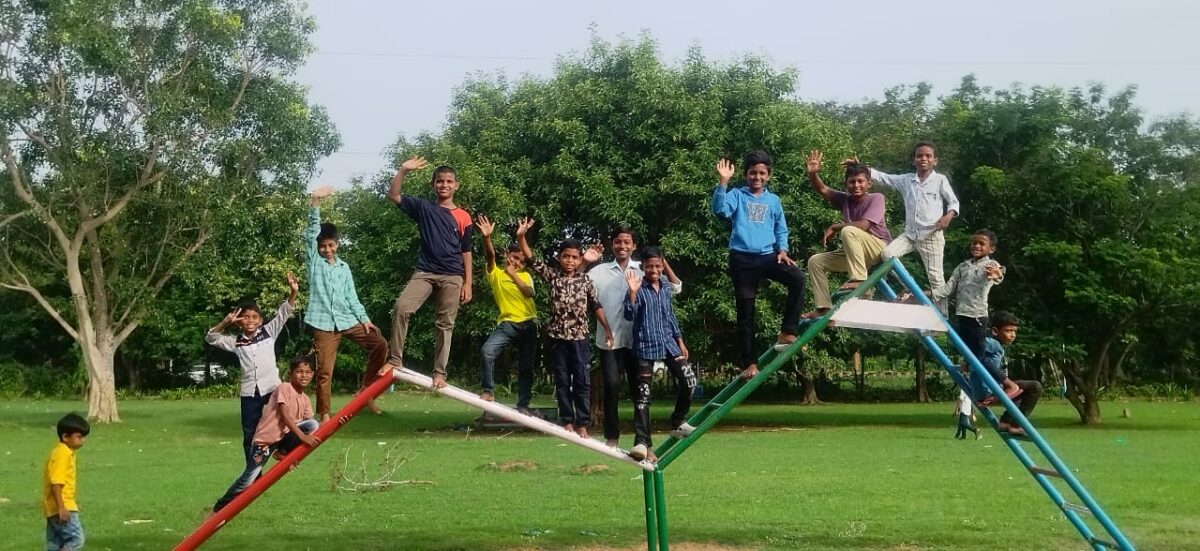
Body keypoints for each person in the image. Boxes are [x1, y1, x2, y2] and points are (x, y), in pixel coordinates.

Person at [711, 151, 806, 380]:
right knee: (746, 313)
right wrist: (723, 182)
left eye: (762, 173)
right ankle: (749, 364)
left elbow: (781, 228)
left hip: (768, 256)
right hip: (742, 260)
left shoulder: (773, 201)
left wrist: (782, 250)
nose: (757, 177)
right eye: (753, 172)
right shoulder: (737, 195)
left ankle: (787, 331)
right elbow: (719, 210)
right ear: (746, 174)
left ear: (769, 176)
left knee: (798, 278)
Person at [584, 226, 681, 448]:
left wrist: (663, 261)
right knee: (611, 386)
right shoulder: (599, 272)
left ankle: (643, 441)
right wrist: (584, 261)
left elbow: (675, 288)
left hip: (638, 342)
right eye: (618, 241)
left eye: (627, 242)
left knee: (641, 391)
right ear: (612, 244)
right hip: (609, 340)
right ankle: (612, 436)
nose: (622, 246)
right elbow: (577, 283)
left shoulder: (644, 268)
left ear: (634, 246)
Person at [516, 217, 614, 438]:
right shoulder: (552, 277)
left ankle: (582, 423)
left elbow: (595, 305)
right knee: (562, 379)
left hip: (579, 338)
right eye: (566, 257)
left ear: (579, 259)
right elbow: (531, 259)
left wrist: (606, 327)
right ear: (559, 258)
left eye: (574, 258)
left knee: (582, 380)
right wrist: (521, 237)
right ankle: (567, 420)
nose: (570, 261)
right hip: (558, 337)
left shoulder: (585, 280)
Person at [385, 156, 474, 389]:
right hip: (425, 272)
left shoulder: (464, 216)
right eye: (439, 181)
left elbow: (466, 251)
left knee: (445, 324)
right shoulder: (424, 208)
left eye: (448, 181)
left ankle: (439, 373)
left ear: (456, 185)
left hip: (453, 275)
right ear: (433, 184)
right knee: (401, 308)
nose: (444, 185)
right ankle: (395, 359)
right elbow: (393, 196)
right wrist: (403, 170)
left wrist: (468, 283)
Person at [306, 185, 390, 421]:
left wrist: (364, 320)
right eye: (323, 246)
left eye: (331, 245)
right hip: (323, 323)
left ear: (338, 244)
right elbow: (311, 232)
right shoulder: (314, 262)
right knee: (325, 371)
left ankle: (365, 393)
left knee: (380, 343)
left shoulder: (344, 268)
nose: (327, 250)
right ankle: (323, 414)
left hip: (347, 319)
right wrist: (315, 202)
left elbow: (352, 297)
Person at [853, 142, 959, 309]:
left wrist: (948, 216)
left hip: (931, 234)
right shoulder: (907, 180)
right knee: (888, 254)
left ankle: (942, 316)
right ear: (914, 160)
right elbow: (884, 177)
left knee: (936, 278)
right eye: (919, 155)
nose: (923, 158)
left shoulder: (939, 180)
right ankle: (910, 287)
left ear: (935, 161)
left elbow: (953, 202)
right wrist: (861, 167)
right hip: (910, 234)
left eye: (928, 156)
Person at [205, 273, 298, 462]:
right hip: (250, 392)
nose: (250, 321)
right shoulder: (236, 341)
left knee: (286, 420)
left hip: (272, 387)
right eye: (245, 318)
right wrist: (225, 322)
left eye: (255, 317)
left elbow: (284, 312)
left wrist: (293, 291)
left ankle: (283, 451)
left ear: (261, 320)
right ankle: (254, 470)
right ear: (239, 322)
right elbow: (211, 338)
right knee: (250, 432)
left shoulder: (268, 332)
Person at [211, 355, 321, 513]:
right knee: (250, 478)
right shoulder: (284, 388)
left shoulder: (304, 399)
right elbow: (284, 414)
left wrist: (293, 455)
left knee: (313, 424)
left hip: (283, 438)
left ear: (313, 375)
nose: (304, 375)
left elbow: (309, 423)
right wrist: (303, 437)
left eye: (308, 372)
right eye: (299, 371)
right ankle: (219, 508)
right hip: (266, 440)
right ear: (291, 374)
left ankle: (283, 452)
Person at [623, 247, 696, 461]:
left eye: (657, 266)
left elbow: (670, 315)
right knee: (643, 398)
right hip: (645, 346)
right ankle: (642, 442)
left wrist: (680, 340)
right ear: (643, 267)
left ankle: (678, 420)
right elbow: (628, 314)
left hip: (669, 344)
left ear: (662, 266)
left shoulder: (664, 285)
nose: (653, 270)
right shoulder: (638, 285)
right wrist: (632, 292)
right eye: (649, 266)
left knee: (689, 381)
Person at [934, 229, 1021, 401]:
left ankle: (1009, 384)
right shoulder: (963, 266)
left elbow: (998, 274)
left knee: (979, 357)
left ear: (991, 249)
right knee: (971, 356)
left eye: (982, 243)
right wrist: (923, 294)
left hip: (977, 317)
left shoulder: (990, 264)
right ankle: (981, 381)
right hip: (962, 316)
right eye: (974, 242)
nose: (977, 246)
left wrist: (997, 275)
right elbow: (947, 289)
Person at [803, 150, 892, 317]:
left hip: (878, 248)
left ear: (869, 184)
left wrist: (836, 227)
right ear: (846, 184)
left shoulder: (876, 198)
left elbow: (864, 225)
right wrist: (813, 175)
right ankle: (823, 308)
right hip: (856, 253)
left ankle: (860, 281)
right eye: (852, 182)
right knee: (816, 261)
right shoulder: (845, 199)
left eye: (861, 181)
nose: (856, 185)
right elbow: (822, 189)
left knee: (849, 230)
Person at [475, 215, 538, 410]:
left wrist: (514, 275)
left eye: (521, 260)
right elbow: (490, 256)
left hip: (528, 324)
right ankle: (488, 391)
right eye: (515, 258)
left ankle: (523, 404)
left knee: (526, 366)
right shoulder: (495, 274)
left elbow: (530, 293)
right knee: (487, 351)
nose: (518, 262)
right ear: (507, 256)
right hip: (508, 324)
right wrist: (487, 238)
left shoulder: (525, 275)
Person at [976, 311, 1042, 436]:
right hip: (989, 392)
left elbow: (977, 355)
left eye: (1015, 331)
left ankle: (1006, 422)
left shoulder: (995, 346)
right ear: (995, 331)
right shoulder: (993, 344)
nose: (1013, 335)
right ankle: (1017, 425)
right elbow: (979, 347)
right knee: (1035, 387)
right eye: (1008, 331)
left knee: (1022, 389)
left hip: (983, 392)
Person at [43, 413, 89, 551]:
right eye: (79, 437)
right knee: (76, 539)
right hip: (63, 506)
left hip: (52, 508)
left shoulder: (61, 452)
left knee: (55, 543)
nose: (83, 440)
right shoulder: (63, 454)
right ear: (65, 437)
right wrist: (62, 507)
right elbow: (56, 482)